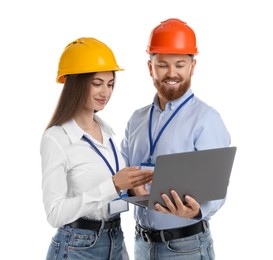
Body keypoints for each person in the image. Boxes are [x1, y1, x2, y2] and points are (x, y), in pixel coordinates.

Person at [120, 18, 231, 259]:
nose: (172, 73)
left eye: (180, 64)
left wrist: (196, 211)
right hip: (142, 243)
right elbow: (122, 171)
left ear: (192, 66)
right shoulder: (136, 120)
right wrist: (130, 188)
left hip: (185, 247)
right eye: (162, 65)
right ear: (150, 68)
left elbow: (217, 188)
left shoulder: (206, 119)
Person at [40, 37, 153, 260]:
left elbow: (116, 190)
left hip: (115, 240)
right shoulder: (56, 138)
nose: (106, 92)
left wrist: (136, 190)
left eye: (110, 84)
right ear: (77, 83)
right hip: (78, 247)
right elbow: (54, 214)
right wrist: (112, 185)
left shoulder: (108, 133)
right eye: (97, 83)